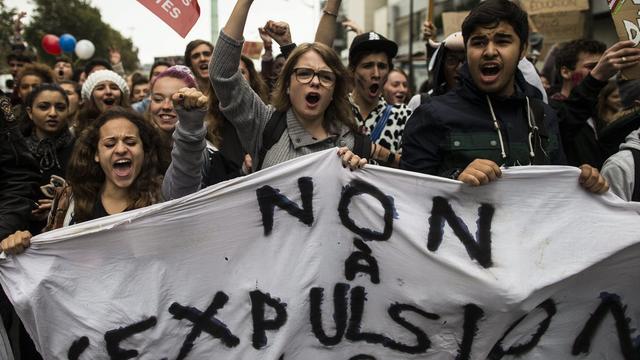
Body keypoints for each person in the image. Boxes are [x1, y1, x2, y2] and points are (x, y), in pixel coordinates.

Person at [400, 0, 608, 194]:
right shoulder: (432, 115)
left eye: (502, 41)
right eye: (479, 42)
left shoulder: (543, 115)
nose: (490, 51)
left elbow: (556, 192)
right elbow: (409, 197)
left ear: (522, 50)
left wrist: (582, 184)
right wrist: (456, 179)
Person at [1, 107, 163, 251]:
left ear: (144, 150)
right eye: (109, 144)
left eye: (130, 142)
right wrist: (21, 244)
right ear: (96, 155)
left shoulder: (162, 199)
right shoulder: (68, 200)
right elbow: (51, 256)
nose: (121, 149)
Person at [348, 31, 411, 165]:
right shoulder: (337, 111)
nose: (376, 74)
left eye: (382, 66)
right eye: (367, 65)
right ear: (352, 70)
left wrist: (378, 152)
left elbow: (414, 169)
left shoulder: (403, 116)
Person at [21, 84, 75, 233]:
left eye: (60, 107)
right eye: (44, 107)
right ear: (30, 112)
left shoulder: (80, 149)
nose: (53, 113)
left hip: (67, 233)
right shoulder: (16, 151)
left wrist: (63, 205)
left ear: (68, 111)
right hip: (20, 235)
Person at [146, 65, 198, 173]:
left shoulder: (203, 149)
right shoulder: (140, 146)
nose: (166, 106)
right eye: (158, 99)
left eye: (175, 100)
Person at [76, 69, 130, 135]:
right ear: (91, 97)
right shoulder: (76, 131)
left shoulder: (136, 125)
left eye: (114, 88)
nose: (108, 91)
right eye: (100, 88)